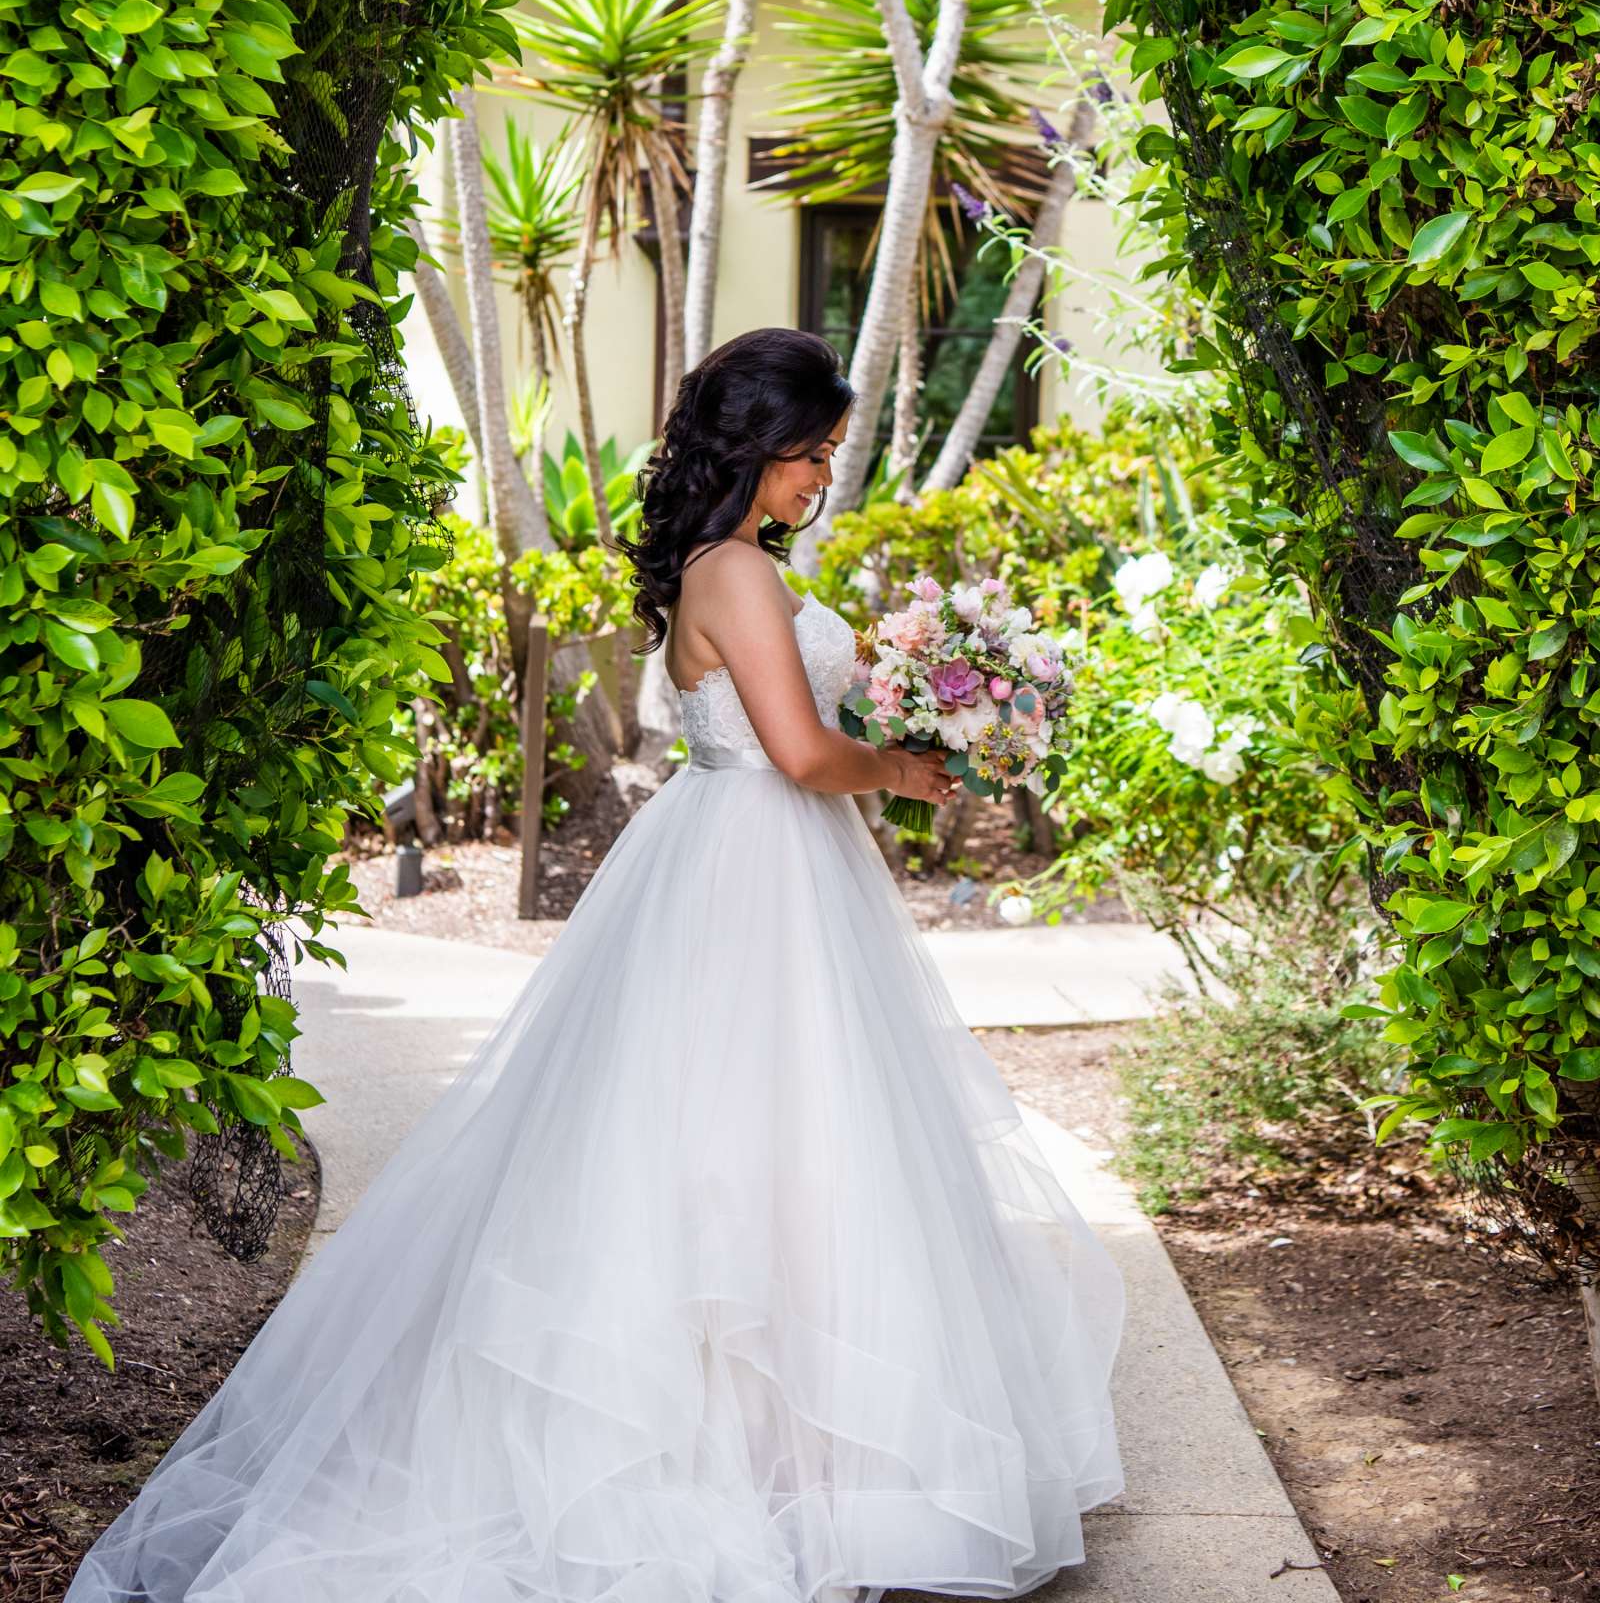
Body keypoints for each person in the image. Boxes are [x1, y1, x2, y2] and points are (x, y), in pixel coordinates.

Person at [66, 326, 1124, 1603]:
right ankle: (753, 1468)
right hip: (755, 863)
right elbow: (797, 752)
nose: (822, 480)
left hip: (768, 863)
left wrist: (918, 717)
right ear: (755, 446)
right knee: (739, 1157)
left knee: (799, 1154)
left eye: (833, 455)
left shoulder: (731, 564)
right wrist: (897, 767)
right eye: (811, 455)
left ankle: (797, 1454)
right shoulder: (733, 570)